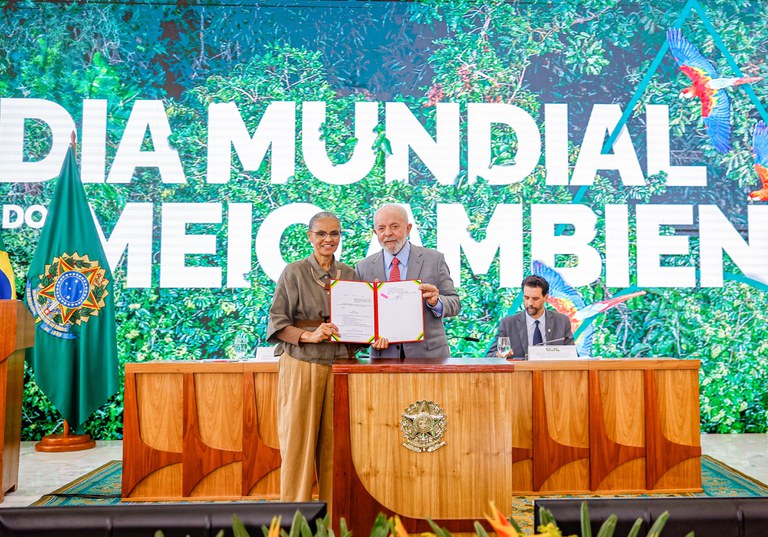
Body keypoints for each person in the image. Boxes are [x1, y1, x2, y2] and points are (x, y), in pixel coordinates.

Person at [267, 211, 386, 511]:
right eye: (321, 234)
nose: (328, 240)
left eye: (334, 234)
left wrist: (375, 335)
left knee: (336, 451)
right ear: (310, 236)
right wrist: (310, 335)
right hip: (302, 365)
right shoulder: (293, 272)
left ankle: (335, 521)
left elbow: (358, 324)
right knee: (298, 447)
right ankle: (292, 521)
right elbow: (277, 322)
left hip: (341, 368)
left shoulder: (349, 274)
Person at [355, 204, 461, 359]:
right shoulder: (363, 267)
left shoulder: (434, 259)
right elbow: (360, 316)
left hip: (430, 357)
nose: (388, 233)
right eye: (381, 228)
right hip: (383, 358)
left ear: (408, 228)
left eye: (395, 226)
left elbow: (455, 303)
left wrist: (436, 302)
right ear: (375, 232)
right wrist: (370, 337)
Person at [486, 274, 574, 358]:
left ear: (545, 298)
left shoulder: (561, 321)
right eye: (526, 298)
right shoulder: (508, 324)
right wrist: (500, 355)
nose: (530, 303)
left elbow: (573, 355)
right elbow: (489, 356)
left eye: (535, 299)